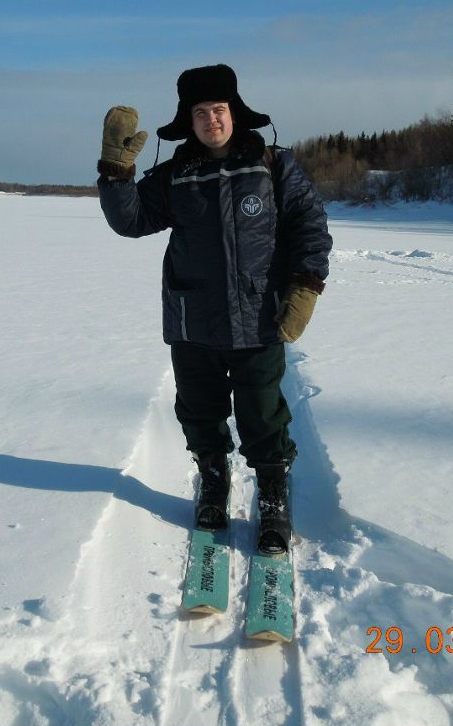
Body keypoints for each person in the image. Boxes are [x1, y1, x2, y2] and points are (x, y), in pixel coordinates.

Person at [96, 64, 332, 555]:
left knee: (262, 415)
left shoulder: (274, 165)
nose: (212, 121)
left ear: (235, 113)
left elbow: (309, 224)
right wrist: (116, 172)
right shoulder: (176, 175)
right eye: (200, 113)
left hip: (259, 319)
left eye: (219, 110)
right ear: (189, 120)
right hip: (192, 320)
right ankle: (214, 480)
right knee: (200, 412)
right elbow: (130, 220)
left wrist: (305, 287)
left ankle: (271, 495)